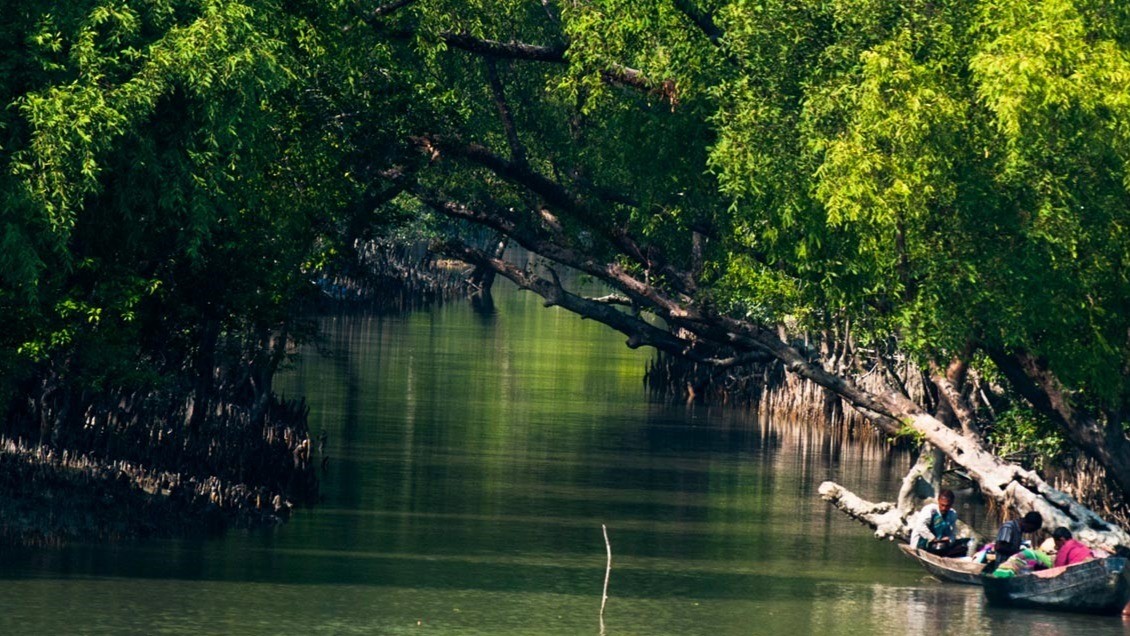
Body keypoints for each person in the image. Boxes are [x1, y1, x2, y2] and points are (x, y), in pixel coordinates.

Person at [909, 489, 971, 558]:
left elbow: (953, 532)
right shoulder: (930, 510)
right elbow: (920, 526)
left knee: (967, 543)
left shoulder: (952, 514)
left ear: (951, 504)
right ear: (938, 501)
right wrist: (933, 538)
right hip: (922, 544)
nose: (944, 508)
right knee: (939, 547)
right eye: (942, 505)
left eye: (947, 506)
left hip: (939, 545)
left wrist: (949, 539)